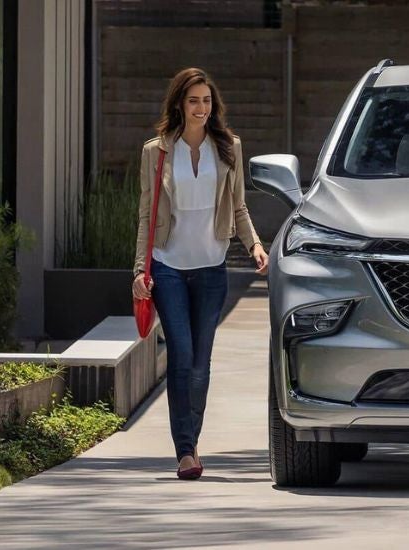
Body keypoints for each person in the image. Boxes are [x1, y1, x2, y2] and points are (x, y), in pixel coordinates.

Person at [131, 67, 268, 480]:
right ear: (179, 104)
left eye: (207, 101)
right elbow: (145, 215)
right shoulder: (156, 152)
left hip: (211, 268)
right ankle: (186, 452)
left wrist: (256, 245)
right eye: (193, 101)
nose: (201, 108)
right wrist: (140, 269)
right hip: (169, 265)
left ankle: (192, 440)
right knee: (182, 355)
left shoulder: (228, 149)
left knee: (201, 362)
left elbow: (239, 207)